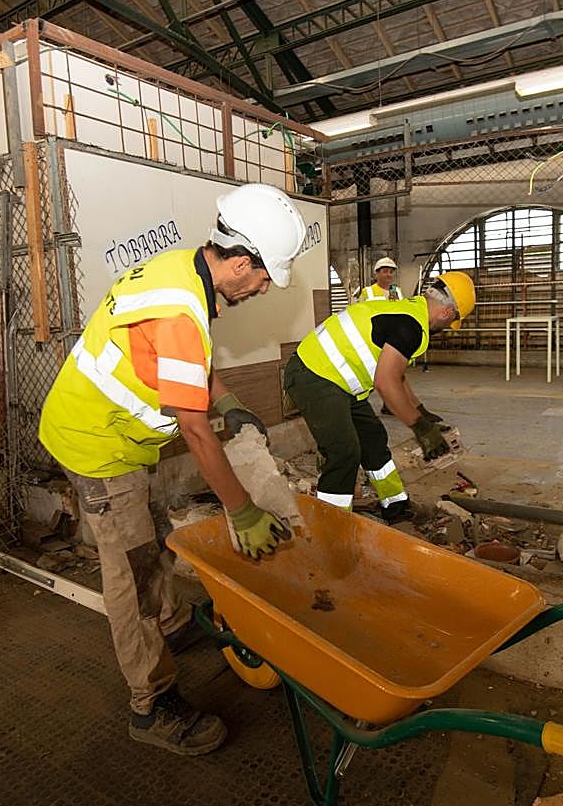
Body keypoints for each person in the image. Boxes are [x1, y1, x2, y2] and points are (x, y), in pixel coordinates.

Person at [38, 182, 307, 756]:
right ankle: (151, 703)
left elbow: (186, 362)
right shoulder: (185, 308)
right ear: (240, 261)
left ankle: (174, 621)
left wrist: (229, 399)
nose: (261, 288)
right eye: (263, 277)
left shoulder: (183, 267)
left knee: (153, 536)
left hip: (109, 434)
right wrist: (244, 510)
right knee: (131, 570)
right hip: (97, 445)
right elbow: (195, 432)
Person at [283, 272, 475, 522]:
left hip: (336, 380)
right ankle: (333, 526)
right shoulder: (412, 326)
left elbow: (397, 375)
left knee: (373, 438)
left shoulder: (409, 311)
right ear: (447, 313)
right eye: (452, 322)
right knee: (344, 452)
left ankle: (395, 505)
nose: (447, 328)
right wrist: (420, 427)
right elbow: (386, 382)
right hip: (314, 375)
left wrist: (421, 411)